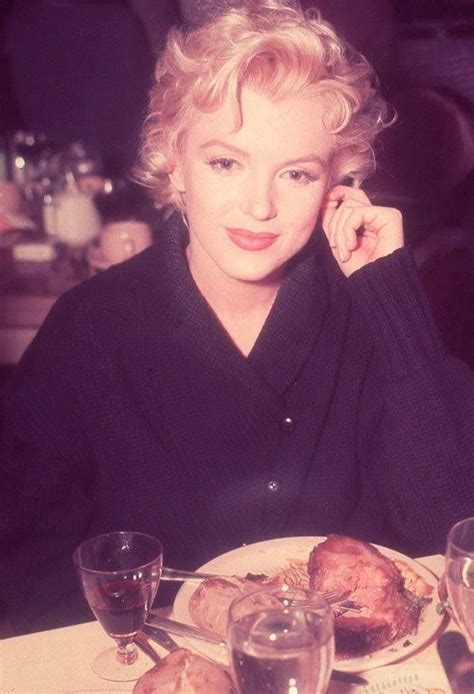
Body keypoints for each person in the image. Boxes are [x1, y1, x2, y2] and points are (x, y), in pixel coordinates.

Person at [1, 0, 473, 637]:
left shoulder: (369, 314)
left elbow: (453, 542)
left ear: (340, 182)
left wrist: (396, 305)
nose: (259, 206)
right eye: (226, 162)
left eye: (297, 173)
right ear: (174, 160)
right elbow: (27, 583)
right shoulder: (88, 330)